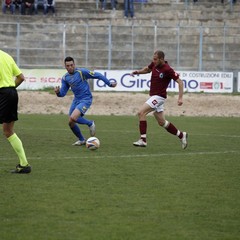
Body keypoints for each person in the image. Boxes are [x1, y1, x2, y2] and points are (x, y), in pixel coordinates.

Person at [131, 50, 188, 149]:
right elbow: (147, 69)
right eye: (153, 59)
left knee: (141, 113)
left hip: (159, 97)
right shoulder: (154, 64)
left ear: (162, 59)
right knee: (162, 122)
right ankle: (181, 135)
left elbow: (180, 82)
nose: (154, 61)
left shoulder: (167, 69)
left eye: (156, 59)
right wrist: (137, 72)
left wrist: (180, 98)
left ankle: (143, 140)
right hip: (154, 96)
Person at [54, 56, 117, 146]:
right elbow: (63, 93)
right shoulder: (65, 78)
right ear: (65, 66)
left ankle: (90, 123)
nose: (70, 67)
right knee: (71, 123)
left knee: (73, 118)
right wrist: (57, 93)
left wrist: (109, 84)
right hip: (76, 100)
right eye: (68, 66)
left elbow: (97, 75)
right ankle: (82, 139)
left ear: (74, 65)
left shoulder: (81, 72)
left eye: (71, 65)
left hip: (86, 99)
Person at [0, 50, 31, 174]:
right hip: (12, 93)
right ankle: (24, 165)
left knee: (8, 131)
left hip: (2, 94)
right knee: (8, 131)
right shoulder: (7, 56)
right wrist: (10, 88)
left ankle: (24, 164)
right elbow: (21, 77)